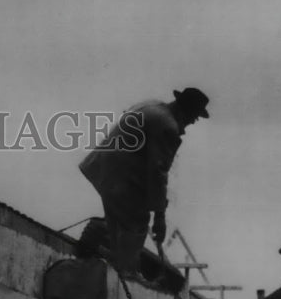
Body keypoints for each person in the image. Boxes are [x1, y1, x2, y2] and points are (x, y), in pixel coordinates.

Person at [78, 87, 209, 277]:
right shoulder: (168, 127)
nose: (193, 122)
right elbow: (158, 173)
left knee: (122, 223)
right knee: (136, 226)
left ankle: (105, 243)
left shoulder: (152, 105)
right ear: (185, 111)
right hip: (121, 179)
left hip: (103, 167)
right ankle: (125, 275)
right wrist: (160, 216)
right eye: (194, 117)